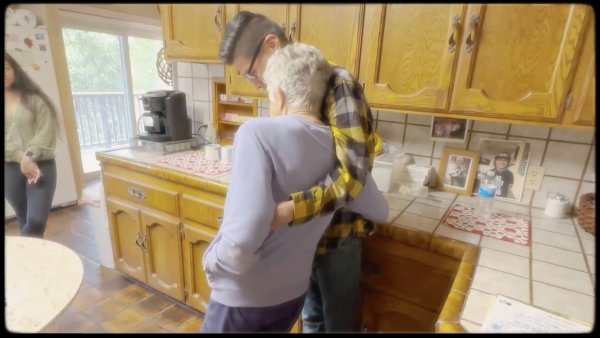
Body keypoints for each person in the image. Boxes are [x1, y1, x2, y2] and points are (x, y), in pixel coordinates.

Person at [200, 42, 388, 333]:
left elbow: (239, 245)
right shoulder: (341, 152)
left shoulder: (256, 133)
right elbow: (379, 209)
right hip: (290, 297)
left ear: (279, 94)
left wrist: (211, 261)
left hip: (243, 298)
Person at [5, 51, 60, 238]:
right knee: (24, 218)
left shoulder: (35, 99)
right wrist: (21, 158)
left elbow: (46, 131)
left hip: (41, 164)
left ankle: (20, 255)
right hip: (8, 168)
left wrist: (29, 156)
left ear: (14, 70)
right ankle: (35, 263)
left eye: (7, 68)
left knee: (36, 221)